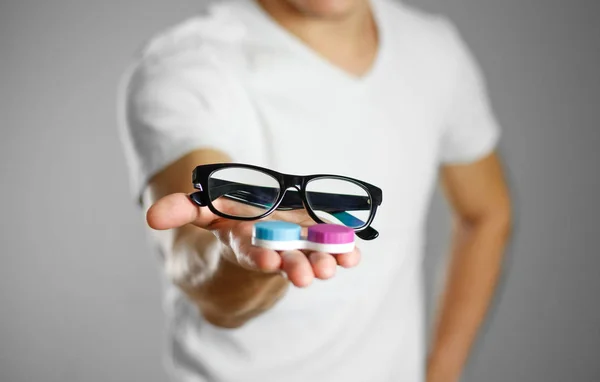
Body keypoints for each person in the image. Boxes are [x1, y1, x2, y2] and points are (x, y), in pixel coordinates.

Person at [118, 0, 512, 381]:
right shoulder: (185, 64)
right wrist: (243, 259)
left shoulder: (434, 50)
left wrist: (442, 372)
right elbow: (193, 256)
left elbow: (486, 213)